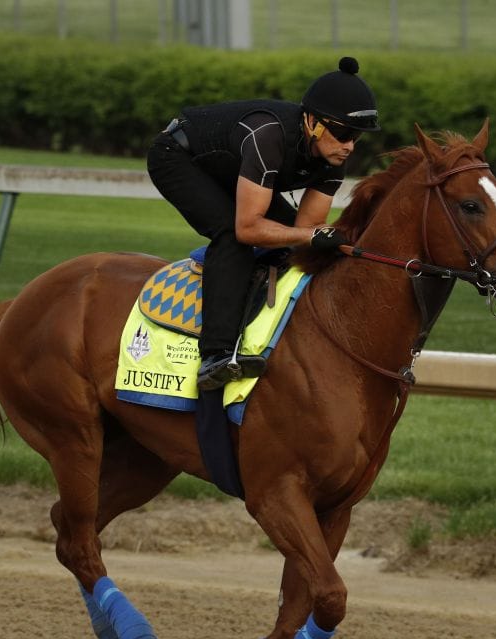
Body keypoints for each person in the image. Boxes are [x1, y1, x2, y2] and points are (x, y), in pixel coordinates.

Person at [147, 56, 379, 391]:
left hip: (232, 167)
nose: (349, 146)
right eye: (343, 133)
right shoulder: (269, 135)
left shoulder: (333, 158)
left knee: (290, 246)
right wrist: (310, 235)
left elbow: (307, 230)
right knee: (232, 235)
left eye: (356, 137)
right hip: (177, 156)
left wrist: (325, 239)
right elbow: (248, 229)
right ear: (312, 122)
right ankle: (216, 355)